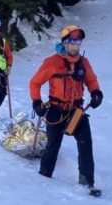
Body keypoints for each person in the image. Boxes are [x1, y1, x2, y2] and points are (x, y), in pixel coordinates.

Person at [29, 25, 104, 196]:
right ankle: (44, 177)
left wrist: (96, 93)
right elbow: (35, 83)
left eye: (78, 42)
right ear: (64, 43)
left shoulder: (84, 63)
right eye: (71, 42)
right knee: (52, 146)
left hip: (76, 111)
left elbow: (91, 80)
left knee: (86, 145)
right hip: (56, 110)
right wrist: (37, 102)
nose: (75, 46)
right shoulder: (52, 62)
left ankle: (87, 183)